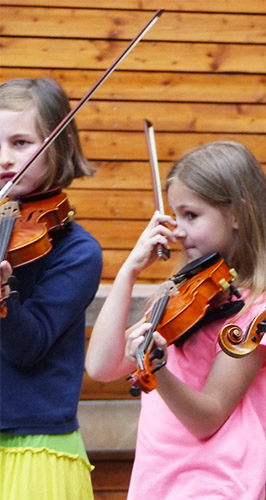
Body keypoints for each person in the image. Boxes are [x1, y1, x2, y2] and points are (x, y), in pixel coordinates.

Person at [85, 141, 266, 499]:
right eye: (175, 215)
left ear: (238, 215)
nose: (177, 230)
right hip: (158, 485)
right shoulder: (179, 295)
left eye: (191, 215)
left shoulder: (260, 312)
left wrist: (158, 371)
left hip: (215, 486)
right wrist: (130, 271)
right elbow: (101, 366)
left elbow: (207, 418)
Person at [0, 78, 102, 499]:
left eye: (21, 142)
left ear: (56, 146)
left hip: (34, 446)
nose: (4, 158)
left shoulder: (77, 250)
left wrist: (4, 298)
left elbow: (29, 346)